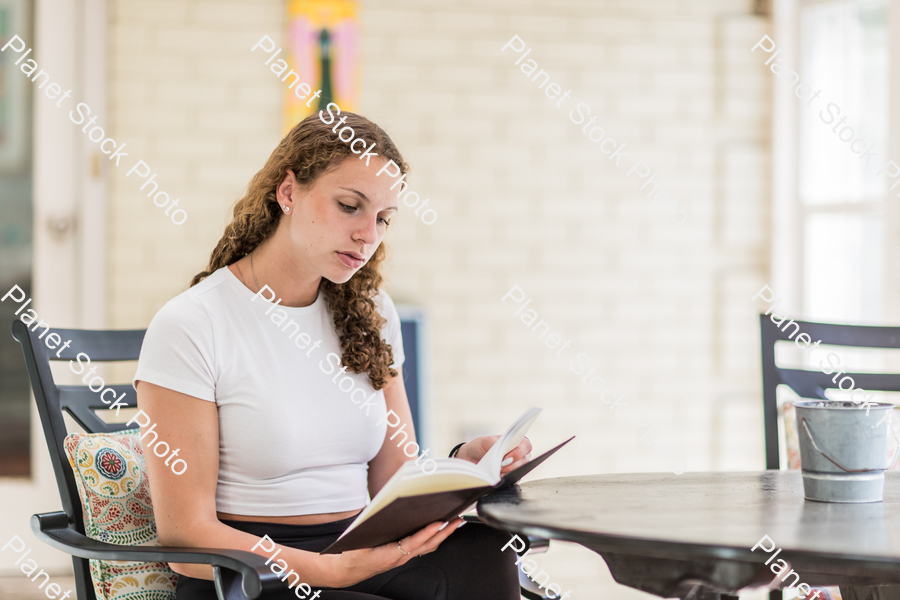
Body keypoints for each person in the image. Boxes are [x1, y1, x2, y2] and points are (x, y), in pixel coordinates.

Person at [133, 111, 532, 600]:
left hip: (359, 545)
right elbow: (184, 538)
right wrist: (334, 571)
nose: (369, 234)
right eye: (350, 206)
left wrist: (462, 464)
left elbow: (394, 481)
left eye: (383, 218)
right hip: (251, 573)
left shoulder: (371, 312)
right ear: (288, 193)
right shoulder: (193, 324)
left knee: (485, 552)